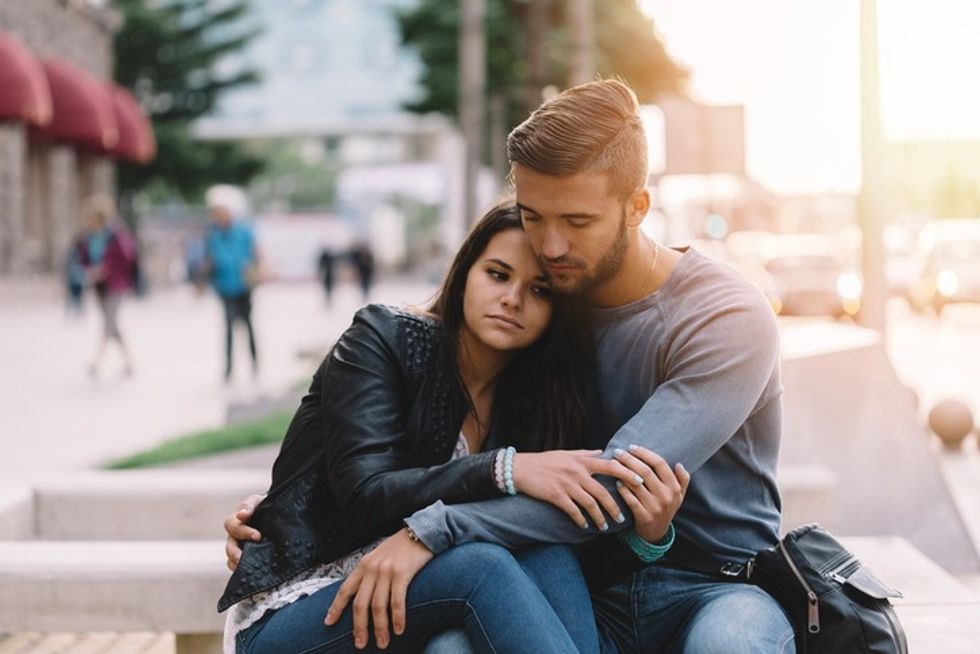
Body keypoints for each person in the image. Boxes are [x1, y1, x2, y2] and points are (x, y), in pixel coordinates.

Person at [308, 79, 790, 653]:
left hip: (719, 589)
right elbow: (438, 428)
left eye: (577, 221)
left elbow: (610, 489)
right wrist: (292, 513)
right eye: (534, 216)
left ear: (638, 207)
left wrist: (435, 530)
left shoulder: (724, 314)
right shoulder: (543, 301)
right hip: (575, 582)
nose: (551, 245)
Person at [219, 202, 688, 654]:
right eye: (498, 274)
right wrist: (506, 470)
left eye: (540, 290)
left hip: (420, 599)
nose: (512, 299)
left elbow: (564, 570)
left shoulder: (539, 402)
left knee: (546, 551)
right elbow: (364, 494)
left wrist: (645, 538)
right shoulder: (384, 340)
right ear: (464, 273)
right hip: (299, 612)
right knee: (478, 565)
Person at [78, 194, 137, 378]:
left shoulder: (116, 235)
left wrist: (106, 268)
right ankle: (128, 362)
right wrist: (90, 270)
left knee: (108, 323)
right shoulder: (90, 237)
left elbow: (127, 257)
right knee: (112, 324)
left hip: (116, 284)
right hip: (99, 285)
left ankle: (96, 362)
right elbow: (84, 257)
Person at [204, 186, 260, 382]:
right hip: (224, 286)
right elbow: (210, 259)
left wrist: (255, 272)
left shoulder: (243, 231)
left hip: (243, 286)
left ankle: (255, 364)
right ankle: (229, 368)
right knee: (227, 328)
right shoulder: (214, 235)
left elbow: (255, 254)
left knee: (247, 326)